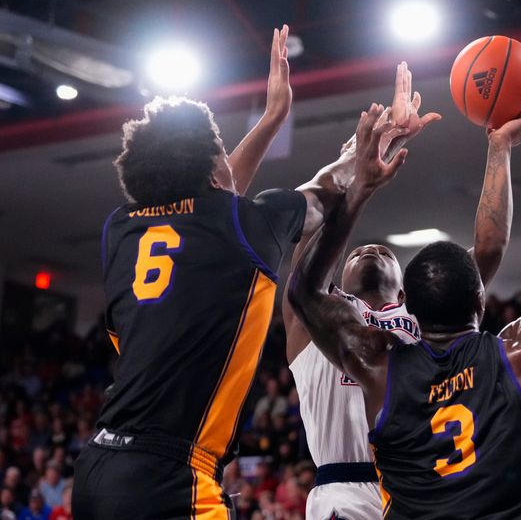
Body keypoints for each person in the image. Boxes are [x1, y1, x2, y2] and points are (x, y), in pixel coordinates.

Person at [288, 94, 521, 517]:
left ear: (410, 313)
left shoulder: (379, 363)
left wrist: (359, 184)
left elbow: (302, 289)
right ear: (481, 297)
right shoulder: (519, 354)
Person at [72, 26, 357, 519]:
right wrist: (357, 158)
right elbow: (322, 195)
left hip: (98, 467)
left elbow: (213, 212)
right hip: (170, 477)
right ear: (212, 171)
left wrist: (272, 119)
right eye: (222, 152)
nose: (229, 161)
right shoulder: (247, 221)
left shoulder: (119, 231)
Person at [283, 64, 521, 519]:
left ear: (411, 291)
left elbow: (488, 250)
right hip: (344, 488)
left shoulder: (428, 323)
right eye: (359, 251)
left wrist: (499, 150)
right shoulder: (321, 318)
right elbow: (308, 250)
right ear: (341, 279)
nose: (374, 249)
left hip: (417, 486)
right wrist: (362, 156)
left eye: (384, 252)